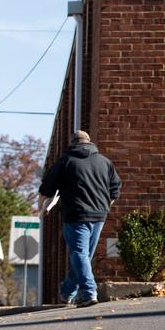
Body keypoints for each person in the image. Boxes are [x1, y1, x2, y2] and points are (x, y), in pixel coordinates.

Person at [38, 130, 121, 307]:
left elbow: (46, 190)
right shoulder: (105, 162)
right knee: (83, 256)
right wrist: (105, 206)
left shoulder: (66, 161)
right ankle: (67, 292)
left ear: (72, 143)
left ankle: (89, 292)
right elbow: (115, 189)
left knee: (80, 254)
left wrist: (42, 208)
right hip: (99, 215)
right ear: (90, 142)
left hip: (76, 215)